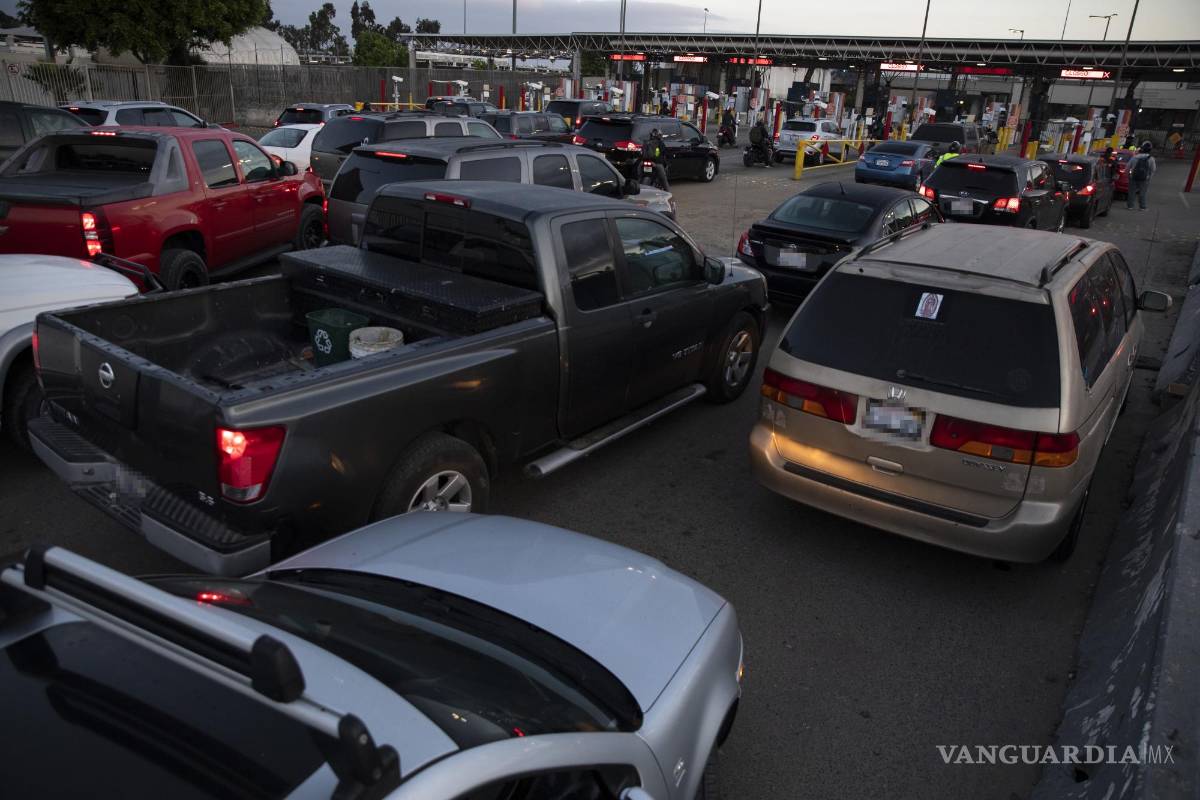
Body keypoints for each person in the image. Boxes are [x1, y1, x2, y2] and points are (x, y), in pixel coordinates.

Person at [1125, 141, 1156, 210]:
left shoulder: (1135, 157)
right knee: (1143, 193)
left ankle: (1130, 206)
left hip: (1133, 177)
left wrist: (1127, 176)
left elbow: (1127, 167)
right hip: (1144, 178)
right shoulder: (1151, 159)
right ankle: (1142, 206)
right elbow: (1153, 170)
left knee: (1131, 192)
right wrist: (1149, 178)